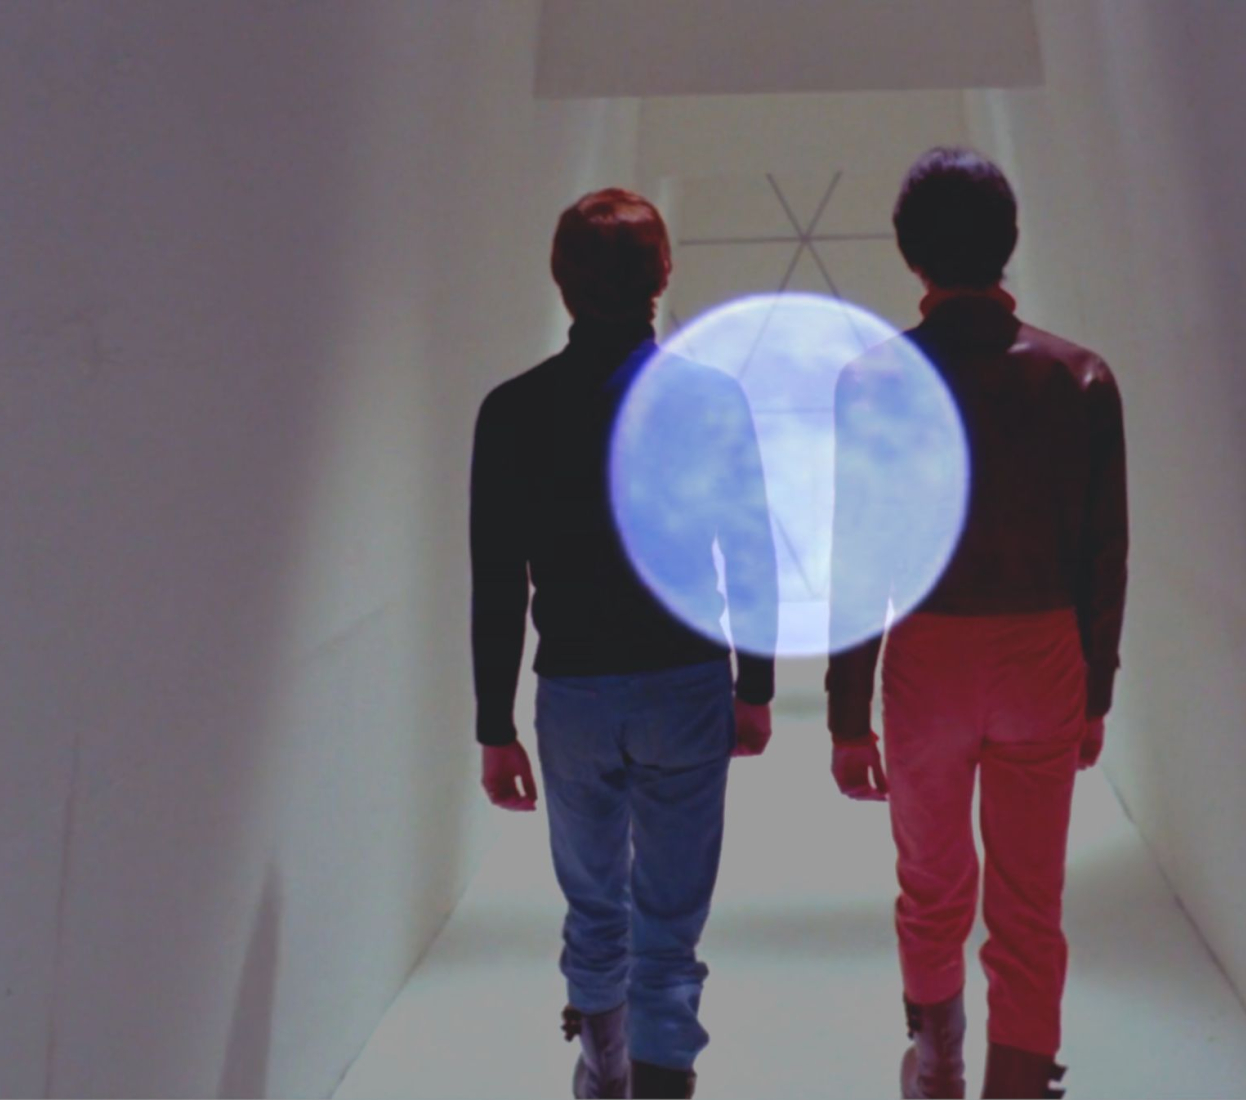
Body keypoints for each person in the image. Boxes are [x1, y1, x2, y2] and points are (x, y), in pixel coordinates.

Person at [826, 148, 1129, 1100]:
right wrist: (1095, 694)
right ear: (1009, 242)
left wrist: (847, 716)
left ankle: (938, 1065)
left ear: (911, 252)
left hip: (930, 656)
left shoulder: (874, 381)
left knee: (932, 884)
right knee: (1030, 902)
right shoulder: (1080, 377)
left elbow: (858, 559)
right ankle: (1019, 1084)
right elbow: (1104, 555)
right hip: (1044, 654)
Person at [470, 188, 778, 1100]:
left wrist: (494, 727)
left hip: (573, 695)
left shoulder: (512, 410)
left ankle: (603, 1070)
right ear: (662, 275)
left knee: (595, 905)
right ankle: (661, 1082)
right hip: (684, 681)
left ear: (560, 279)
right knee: (669, 925)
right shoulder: (711, 399)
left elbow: (498, 580)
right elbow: (749, 551)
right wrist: (755, 686)